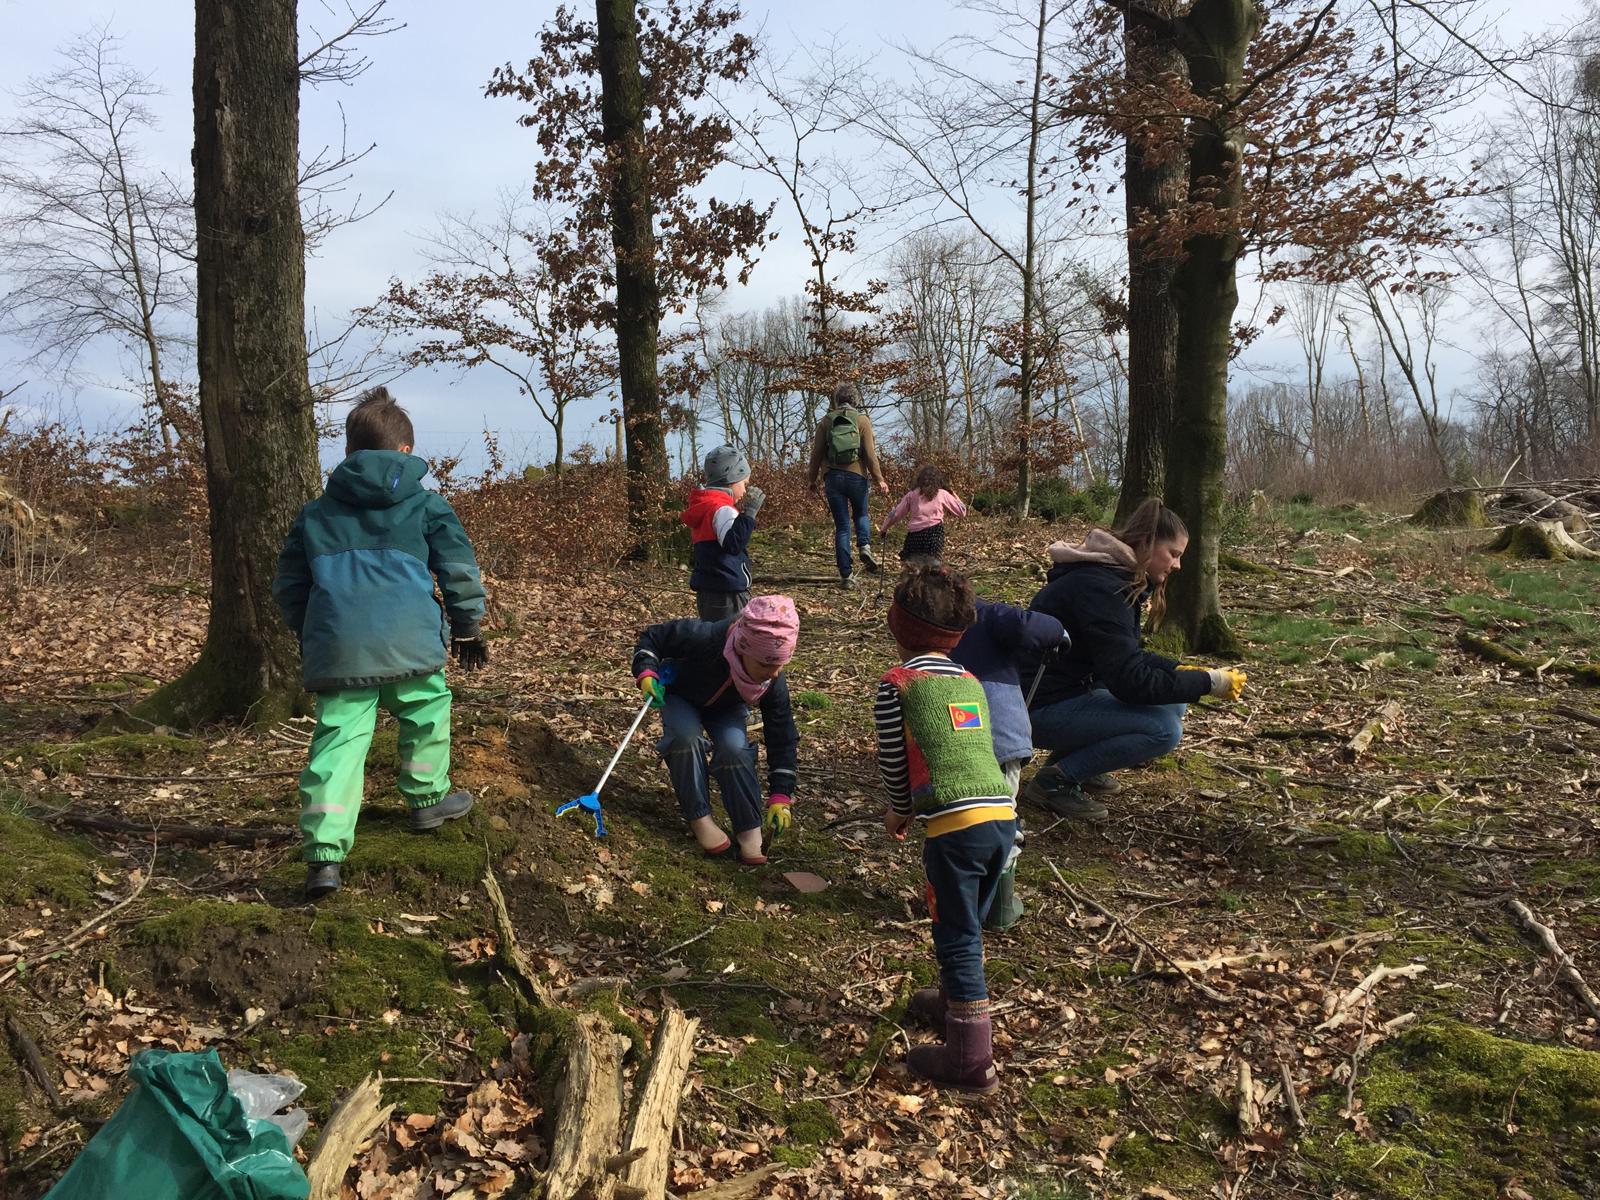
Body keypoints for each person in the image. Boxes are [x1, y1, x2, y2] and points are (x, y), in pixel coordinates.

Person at [273, 388, 487, 901]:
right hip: (411, 641)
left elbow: (289, 584)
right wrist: (468, 627)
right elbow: (457, 568)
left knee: (338, 743)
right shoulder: (427, 503)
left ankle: (324, 857)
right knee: (426, 710)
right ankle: (426, 798)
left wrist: (313, 630)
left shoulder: (317, 512)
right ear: (406, 452)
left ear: (349, 454)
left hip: (341, 647)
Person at [876, 564, 1015, 1094]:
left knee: (956, 936)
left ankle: (969, 1059)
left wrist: (899, 810)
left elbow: (896, 760)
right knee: (968, 924)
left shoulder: (899, 685)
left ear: (898, 626)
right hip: (1001, 818)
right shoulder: (970, 681)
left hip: (955, 830)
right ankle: (955, 1003)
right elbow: (976, 751)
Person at [1024, 498, 1248, 822]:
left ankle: (1079, 764)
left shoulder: (1111, 577)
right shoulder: (1104, 588)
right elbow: (1129, 681)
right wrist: (1208, 682)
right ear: (1146, 544)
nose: (1177, 565)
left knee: (1175, 704)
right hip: (1035, 708)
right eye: (1174, 554)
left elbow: (1128, 655)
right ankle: (1054, 781)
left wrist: (1183, 671)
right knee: (1164, 730)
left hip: (1063, 694)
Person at [632, 595, 800, 866]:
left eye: (780, 664)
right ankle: (700, 817)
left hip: (727, 708)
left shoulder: (772, 681)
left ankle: (747, 825)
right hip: (681, 695)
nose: (773, 672)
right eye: (766, 665)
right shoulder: (705, 637)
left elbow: (782, 735)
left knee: (734, 748)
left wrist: (781, 794)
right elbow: (653, 638)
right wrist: (647, 673)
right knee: (684, 737)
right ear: (743, 649)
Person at [949, 599, 1067, 931]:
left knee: (959, 818)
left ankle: (960, 900)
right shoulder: (982, 611)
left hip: (952, 736)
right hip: (998, 733)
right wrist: (1061, 632)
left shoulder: (923, 621)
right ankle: (997, 907)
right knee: (1002, 817)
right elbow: (1031, 625)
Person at [807, 381, 888, 590]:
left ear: (836, 400)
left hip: (833, 478)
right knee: (861, 514)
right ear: (855, 400)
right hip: (857, 477)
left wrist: (812, 479)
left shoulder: (826, 421)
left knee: (842, 527)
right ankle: (864, 546)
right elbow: (870, 455)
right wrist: (879, 478)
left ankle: (847, 576)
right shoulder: (862, 420)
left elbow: (816, 454)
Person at [683, 445, 764, 621]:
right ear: (732, 478)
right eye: (744, 483)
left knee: (713, 636)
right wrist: (749, 513)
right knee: (728, 638)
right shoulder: (721, 509)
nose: (744, 491)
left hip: (709, 589)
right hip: (726, 591)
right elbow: (733, 543)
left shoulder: (705, 506)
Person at [881, 464, 968, 562]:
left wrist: (884, 528)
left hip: (914, 536)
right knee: (932, 567)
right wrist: (954, 495)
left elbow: (895, 513)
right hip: (934, 534)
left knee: (912, 568)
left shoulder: (912, 495)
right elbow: (962, 511)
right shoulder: (942, 494)